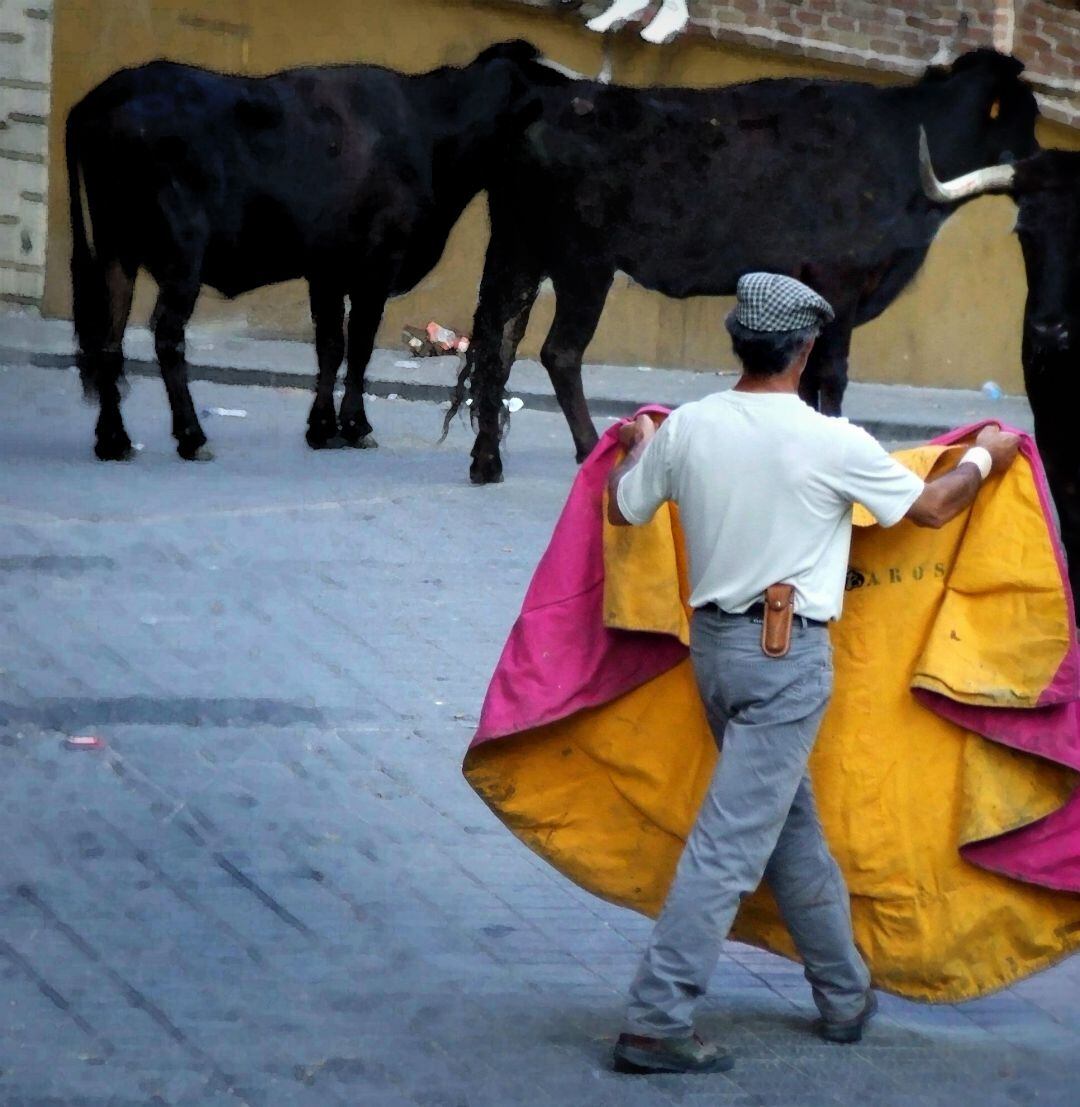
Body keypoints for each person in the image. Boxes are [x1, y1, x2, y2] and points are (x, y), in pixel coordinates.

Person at [605, 271, 1021, 1076]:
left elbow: (625, 507)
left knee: (787, 824)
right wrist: (984, 456)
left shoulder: (689, 428)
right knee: (731, 845)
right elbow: (933, 509)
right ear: (803, 350)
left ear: (740, 341)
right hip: (786, 659)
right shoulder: (831, 441)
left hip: (716, 658)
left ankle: (843, 994)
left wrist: (642, 444)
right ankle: (656, 1018)